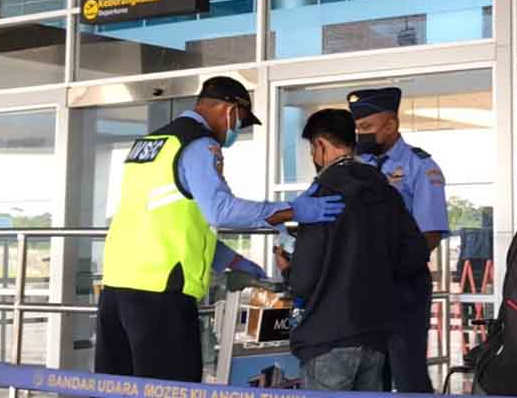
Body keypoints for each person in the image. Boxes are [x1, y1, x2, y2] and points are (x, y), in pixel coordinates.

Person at [97, 76, 346, 382]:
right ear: (230, 109)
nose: (238, 129)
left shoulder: (150, 144)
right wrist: (293, 210)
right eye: (241, 120)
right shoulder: (199, 144)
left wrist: (232, 261)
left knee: (116, 387)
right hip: (161, 294)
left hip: (117, 288)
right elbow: (220, 210)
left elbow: (168, 220)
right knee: (171, 389)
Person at [274, 109, 429, 391]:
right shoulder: (386, 192)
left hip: (328, 337)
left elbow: (304, 279)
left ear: (320, 145)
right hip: (375, 336)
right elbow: (415, 254)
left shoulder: (320, 196)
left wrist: (287, 270)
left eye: (312, 149)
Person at [349, 87, 448, 393]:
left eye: (367, 127)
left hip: (403, 283)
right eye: (357, 128)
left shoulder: (422, 167)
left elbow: (429, 233)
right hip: (363, 284)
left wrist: (392, 269)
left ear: (390, 125)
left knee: (407, 371)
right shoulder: (356, 165)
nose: (360, 135)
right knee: (369, 371)